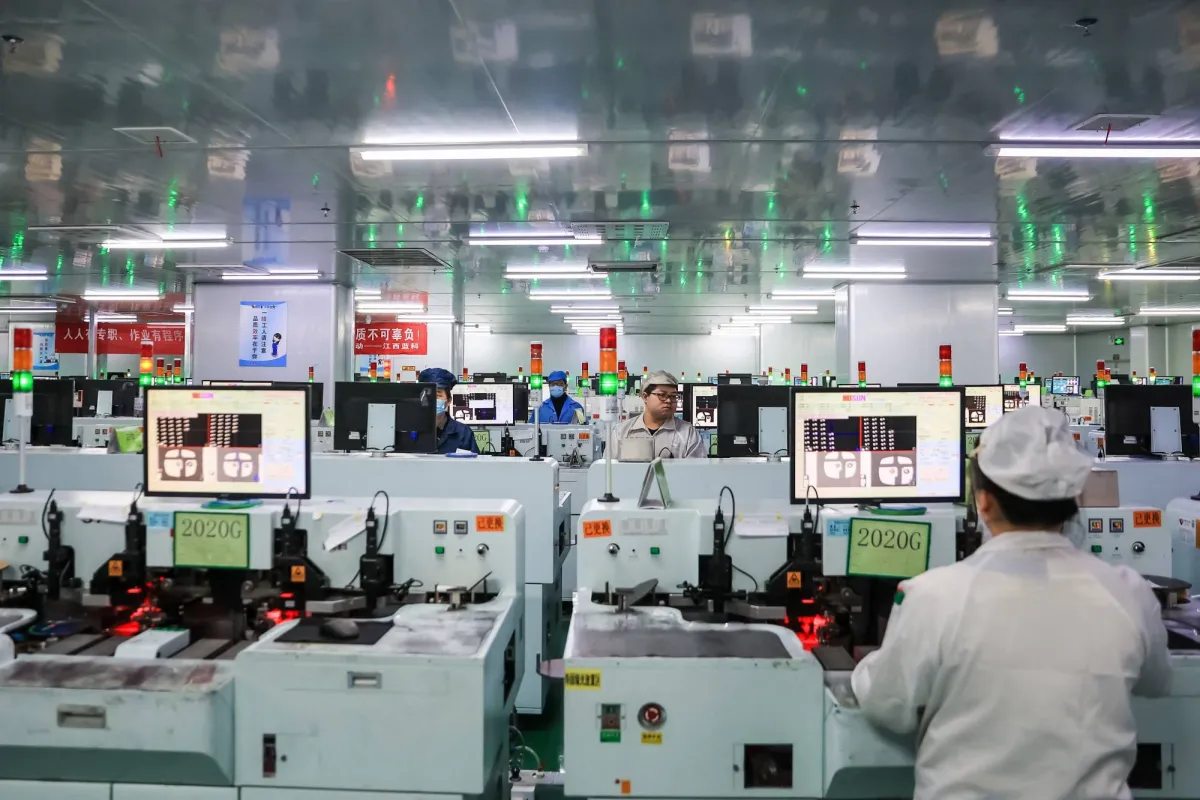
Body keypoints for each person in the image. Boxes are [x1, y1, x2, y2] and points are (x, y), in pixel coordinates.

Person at [850, 406, 1170, 800]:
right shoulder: (1128, 594)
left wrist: (866, 666)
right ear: (1073, 498)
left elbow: (888, 704)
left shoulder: (934, 597)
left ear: (983, 502)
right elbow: (1158, 682)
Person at [612, 370, 705, 459]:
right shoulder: (622, 432)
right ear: (645, 397)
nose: (668, 400)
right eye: (662, 395)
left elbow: (697, 468)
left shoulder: (688, 433)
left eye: (673, 396)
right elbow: (609, 468)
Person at [418, 368, 479, 455]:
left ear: (448, 401)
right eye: (428, 394)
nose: (432, 399)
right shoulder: (410, 430)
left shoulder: (463, 433)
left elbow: (475, 462)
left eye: (438, 395)